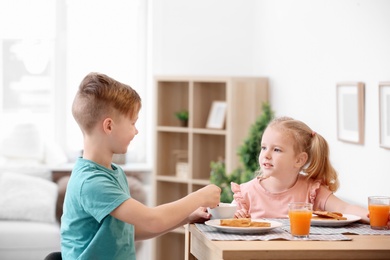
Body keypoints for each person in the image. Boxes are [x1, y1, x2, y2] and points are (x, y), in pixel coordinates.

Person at [61, 72, 221, 260]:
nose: (136, 131)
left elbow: (127, 233)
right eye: (132, 122)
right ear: (109, 126)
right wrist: (199, 196)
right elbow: (152, 220)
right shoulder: (91, 182)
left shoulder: (114, 173)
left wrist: (187, 217)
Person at [232, 116, 376, 224]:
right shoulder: (245, 194)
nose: (266, 155)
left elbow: (344, 208)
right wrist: (238, 220)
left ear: (299, 160)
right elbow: (224, 221)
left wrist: (376, 217)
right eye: (264, 147)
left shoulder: (312, 190)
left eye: (276, 149)